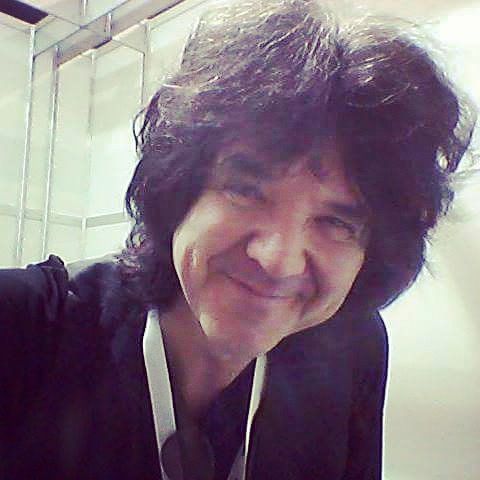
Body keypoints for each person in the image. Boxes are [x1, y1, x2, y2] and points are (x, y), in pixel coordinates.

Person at [0, 0, 475, 479]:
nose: (279, 261)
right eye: (246, 190)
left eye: (336, 223)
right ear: (178, 189)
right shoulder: (22, 329)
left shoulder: (354, 348)